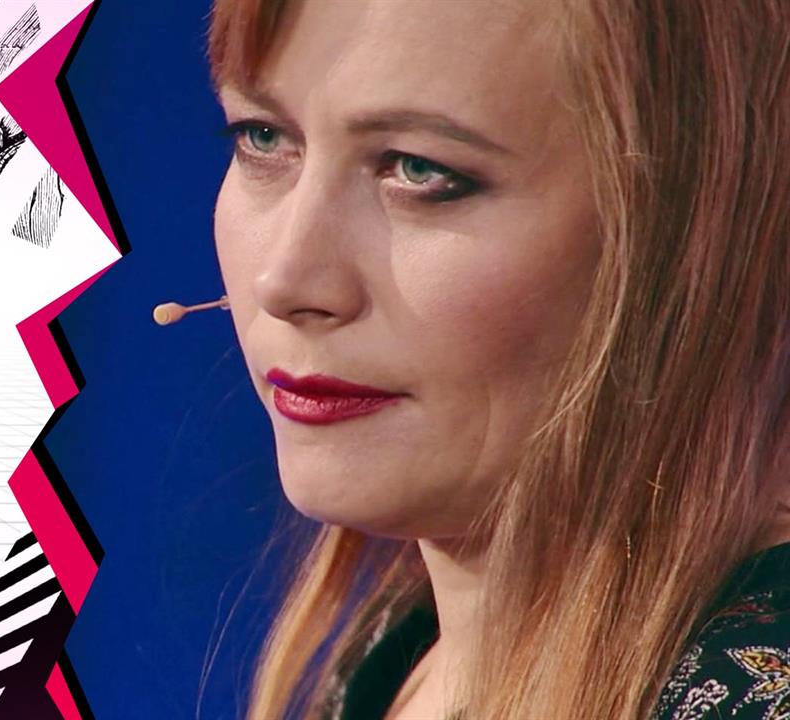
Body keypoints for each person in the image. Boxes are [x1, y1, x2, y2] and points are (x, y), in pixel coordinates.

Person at [203, 0, 790, 718]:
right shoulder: (396, 653)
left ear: (697, 230)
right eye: (262, 137)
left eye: (420, 169)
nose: (286, 282)